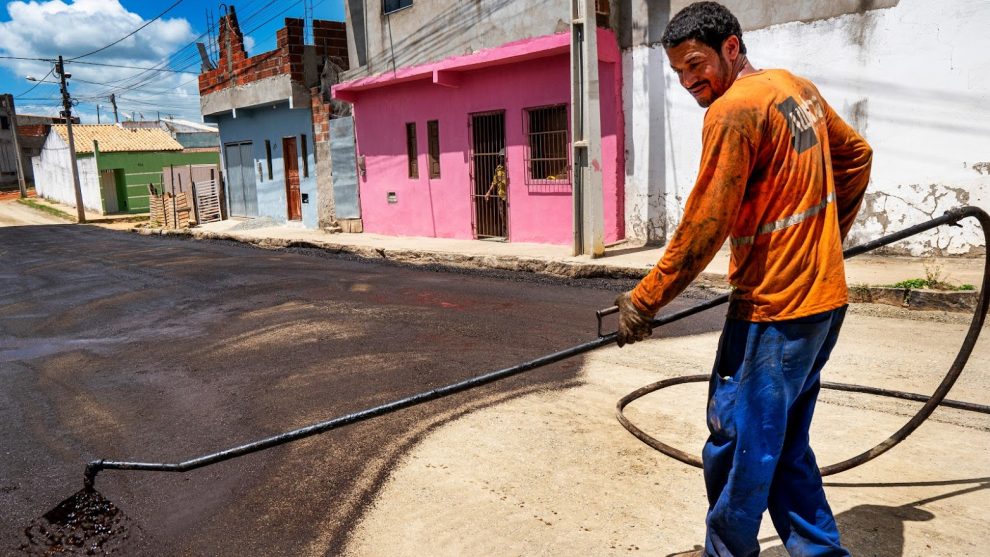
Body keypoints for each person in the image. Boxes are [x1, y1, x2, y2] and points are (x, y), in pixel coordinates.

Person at [613, 2, 872, 556]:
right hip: (821, 302)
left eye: (696, 65)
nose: (688, 82)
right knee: (783, 445)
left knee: (741, 450)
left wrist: (645, 300)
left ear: (732, 47)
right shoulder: (794, 88)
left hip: (775, 310)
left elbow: (705, 225)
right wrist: (827, 241)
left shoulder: (734, 110)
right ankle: (818, 551)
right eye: (679, 72)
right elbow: (857, 157)